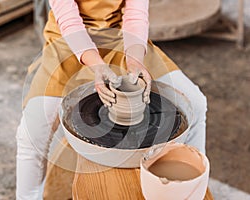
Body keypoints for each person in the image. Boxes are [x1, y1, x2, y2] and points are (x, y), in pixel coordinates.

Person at [16, 0, 207, 199]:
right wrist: (96, 64)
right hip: (69, 41)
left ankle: (191, 187)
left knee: (196, 104)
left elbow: (135, 14)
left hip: (122, 37)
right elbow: (69, 20)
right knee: (31, 133)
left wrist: (134, 60)